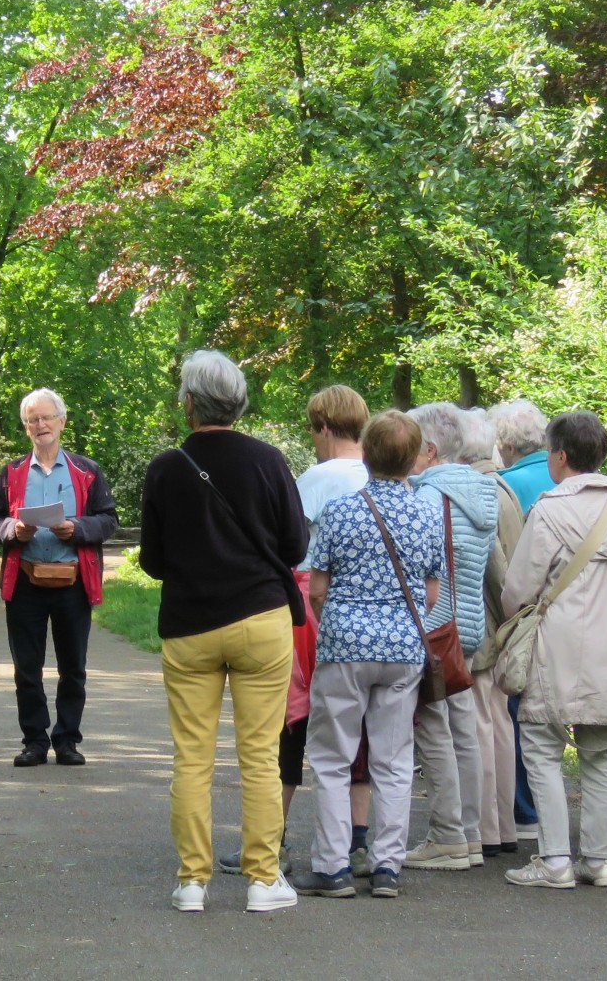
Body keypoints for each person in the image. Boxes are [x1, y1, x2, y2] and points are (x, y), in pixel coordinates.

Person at [140, 351, 308, 915]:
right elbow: (296, 547)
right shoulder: (268, 460)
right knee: (260, 755)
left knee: (192, 757)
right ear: (237, 403)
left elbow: (154, 562)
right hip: (261, 620)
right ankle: (263, 881)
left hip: (189, 627)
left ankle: (192, 882)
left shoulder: (166, 468)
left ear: (187, 403)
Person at [292, 410, 444, 902]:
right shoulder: (428, 512)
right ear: (413, 457)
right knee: (394, 760)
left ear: (370, 453)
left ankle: (333, 867)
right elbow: (432, 591)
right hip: (403, 651)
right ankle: (387, 867)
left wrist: (341, 618)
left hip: (344, 650)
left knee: (333, 758)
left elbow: (316, 589)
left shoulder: (339, 511)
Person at [219, 383, 368, 876]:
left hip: (309, 606)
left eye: (313, 429)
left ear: (324, 427)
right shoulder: (378, 473)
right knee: (358, 726)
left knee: (290, 724)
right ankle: (359, 840)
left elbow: (288, 543)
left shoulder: (316, 478)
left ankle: (271, 839)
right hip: (368, 611)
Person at [502, 409, 607, 889]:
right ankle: (601, 861)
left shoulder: (547, 510)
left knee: (541, 748)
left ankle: (555, 859)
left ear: (559, 455)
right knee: (601, 753)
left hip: (554, 646)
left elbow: (519, 588)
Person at [0, 388, 119, 768]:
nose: (40, 425)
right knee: (26, 667)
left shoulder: (87, 472)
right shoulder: (11, 473)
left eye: (47, 418)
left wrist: (76, 527)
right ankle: (34, 741)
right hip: (24, 581)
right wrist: (13, 530)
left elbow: (108, 520)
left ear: (61, 421)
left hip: (73, 582)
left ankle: (68, 740)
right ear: (25, 427)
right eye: (33, 420)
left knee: (72, 666)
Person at [402, 403, 496, 872]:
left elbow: (421, 570)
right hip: (468, 624)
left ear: (430, 449)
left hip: (435, 628)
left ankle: (446, 836)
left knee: (434, 728)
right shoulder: (483, 492)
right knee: (464, 729)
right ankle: (471, 835)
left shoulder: (426, 497)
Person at [492, 398, 554, 841]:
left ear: (507, 443)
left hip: (525, 618)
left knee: (514, 709)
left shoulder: (506, 486)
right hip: (579, 616)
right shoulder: (577, 479)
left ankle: (525, 810)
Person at [463, 407, 524, 859]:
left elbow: (501, 574)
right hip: (503, 626)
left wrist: (506, 626)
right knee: (499, 724)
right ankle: (501, 826)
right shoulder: (503, 487)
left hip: (487, 627)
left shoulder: (482, 491)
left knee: (482, 723)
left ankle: (486, 827)